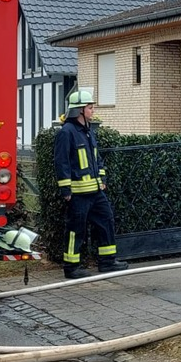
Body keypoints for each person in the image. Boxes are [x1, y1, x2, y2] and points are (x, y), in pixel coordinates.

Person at [54, 90, 128, 279]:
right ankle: (71, 268)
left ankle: (108, 262)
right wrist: (66, 190)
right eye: (89, 107)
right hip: (78, 194)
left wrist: (102, 179)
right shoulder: (67, 132)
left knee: (106, 221)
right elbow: (61, 162)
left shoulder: (88, 131)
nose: (93, 110)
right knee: (75, 229)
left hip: (95, 192)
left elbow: (97, 159)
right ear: (79, 110)